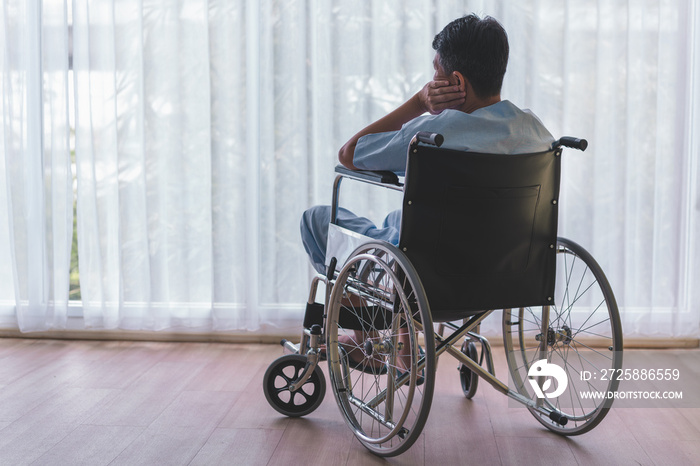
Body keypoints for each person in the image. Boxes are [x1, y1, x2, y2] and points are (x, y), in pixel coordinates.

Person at [301, 14, 555, 274]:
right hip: (505, 271)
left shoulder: (432, 135)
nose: (432, 77)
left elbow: (348, 153)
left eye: (436, 69)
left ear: (456, 82)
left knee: (315, 219)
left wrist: (419, 103)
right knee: (395, 219)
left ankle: (359, 309)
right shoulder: (536, 132)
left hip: (427, 273)